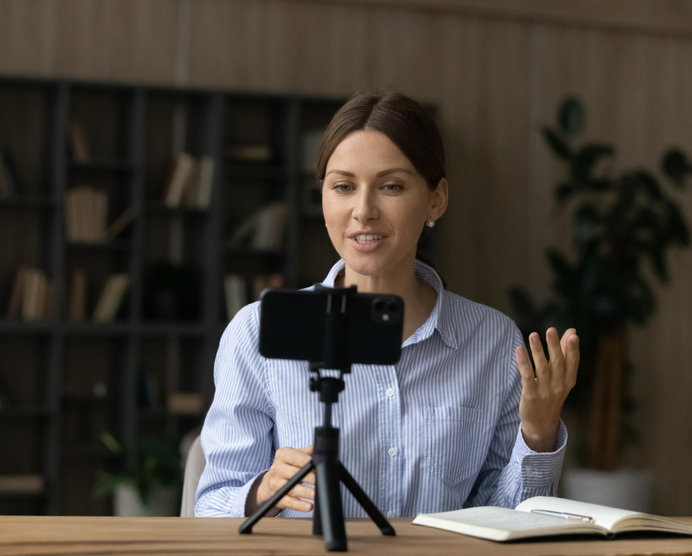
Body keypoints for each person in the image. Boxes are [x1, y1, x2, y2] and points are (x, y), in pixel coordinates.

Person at [195, 91, 579, 519]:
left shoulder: (491, 342)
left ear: (436, 199)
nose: (363, 211)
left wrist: (539, 432)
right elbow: (210, 507)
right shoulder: (257, 331)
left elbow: (506, 524)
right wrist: (262, 490)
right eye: (343, 187)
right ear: (323, 198)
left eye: (391, 187)